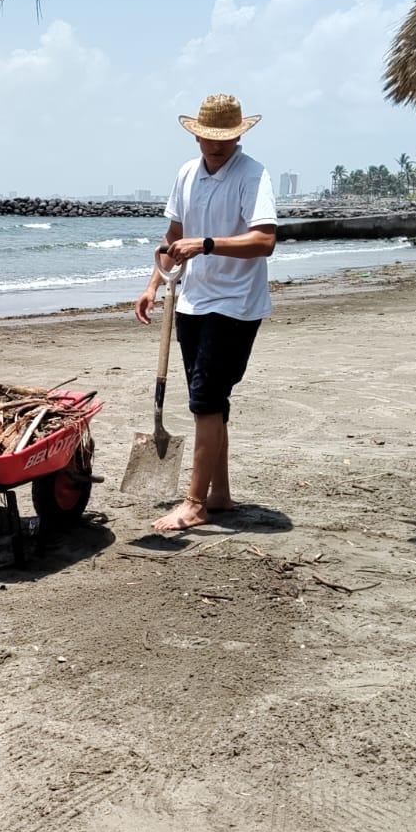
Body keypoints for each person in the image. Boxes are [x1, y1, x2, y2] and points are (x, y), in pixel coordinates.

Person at [135, 94, 278, 532]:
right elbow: (173, 235)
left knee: (205, 401)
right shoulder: (186, 173)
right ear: (196, 135)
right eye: (209, 137)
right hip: (192, 300)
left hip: (236, 304)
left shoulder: (252, 175)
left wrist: (208, 244)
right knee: (213, 404)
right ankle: (220, 493)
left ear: (239, 135)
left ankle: (195, 503)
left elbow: (264, 241)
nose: (216, 145)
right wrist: (153, 283)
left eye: (225, 138)